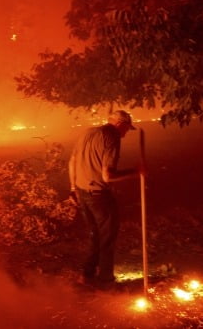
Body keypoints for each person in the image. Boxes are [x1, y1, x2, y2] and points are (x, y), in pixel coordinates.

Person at [68, 110, 140, 288]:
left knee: (95, 236)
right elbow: (108, 176)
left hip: (82, 192)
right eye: (125, 129)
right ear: (119, 124)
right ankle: (106, 280)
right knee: (107, 236)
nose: (125, 134)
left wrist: (72, 189)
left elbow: (72, 161)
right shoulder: (112, 138)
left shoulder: (88, 132)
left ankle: (87, 275)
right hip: (99, 195)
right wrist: (136, 172)